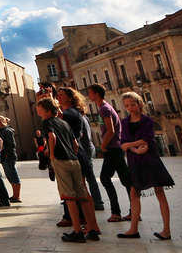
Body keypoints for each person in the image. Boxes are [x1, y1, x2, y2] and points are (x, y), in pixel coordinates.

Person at [38, 96, 101, 243]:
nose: (39, 113)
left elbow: (52, 137)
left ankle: (77, 231)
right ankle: (92, 229)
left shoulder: (47, 122)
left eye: (40, 110)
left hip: (62, 161)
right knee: (82, 195)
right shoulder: (64, 123)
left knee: (69, 197)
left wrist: (52, 154)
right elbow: (75, 143)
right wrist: (72, 153)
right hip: (74, 160)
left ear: (48, 111)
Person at [117, 91, 173, 240]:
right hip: (134, 160)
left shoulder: (147, 121)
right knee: (134, 194)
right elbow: (123, 142)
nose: (130, 108)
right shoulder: (124, 122)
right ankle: (133, 229)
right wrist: (134, 148)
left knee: (160, 192)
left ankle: (166, 230)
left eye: (132, 105)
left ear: (139, 104)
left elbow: (148, 138)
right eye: (127, 105)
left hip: (150, 159)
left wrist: (131, 145)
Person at [56, 87, 103, 227]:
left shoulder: (70, 112)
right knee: (81, 191)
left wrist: (49, 100)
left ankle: (88, 225)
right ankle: (91, 226)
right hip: (77, 152)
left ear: (70, 98)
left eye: (61, 95)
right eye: (57, 95)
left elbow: (57, 116)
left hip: (76, 154)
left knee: (81, 191)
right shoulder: (74, 112)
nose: (58, 98)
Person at [87, 83, 129, 222]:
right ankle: (134, 210)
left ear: (96, 94)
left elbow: (110, 130)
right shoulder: (105, 108)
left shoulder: (104, 109)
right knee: (127, 180)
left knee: (105, 178)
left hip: (112, 148)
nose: (89, 95)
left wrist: (103, 146)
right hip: (117, 148)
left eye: (90, 92)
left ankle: (116, 212)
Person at [0, 115, 21, 203]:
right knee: (9, 176)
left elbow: (11, 144)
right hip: (4, 156)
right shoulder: (1, 131)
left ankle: (17, 195)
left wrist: (6, 153)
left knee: (13, 175)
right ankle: (14, 194)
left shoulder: (7, 131)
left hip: (9, 156)